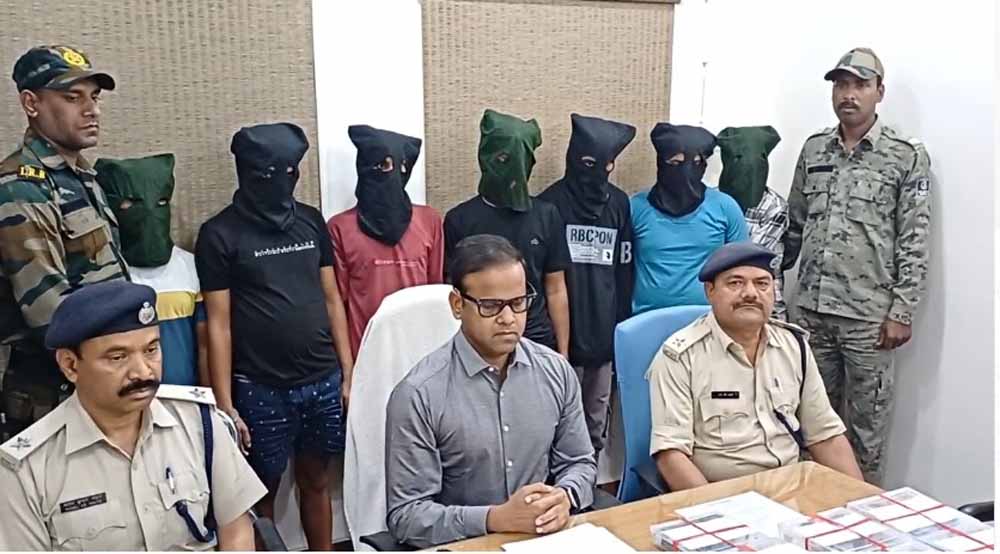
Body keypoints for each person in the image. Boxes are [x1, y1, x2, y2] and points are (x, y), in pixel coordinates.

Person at [0, 280, 266, 550]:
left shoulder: (200, 422)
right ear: (71, 365)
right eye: (118, 357)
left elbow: (236, 531)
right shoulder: (27, 469)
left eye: (151, 350)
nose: (142, 372)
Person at [195, 123, 353, 551]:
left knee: (317, 479)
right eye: (268, 173)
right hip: (260, 387)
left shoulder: (311, 221)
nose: (280, 181)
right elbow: (218, 324)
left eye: (289, 171)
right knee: (258, 494)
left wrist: (348, 372)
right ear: (247, 172)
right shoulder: (219, 234)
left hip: (322, 379)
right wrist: (225, 405)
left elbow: (332, 298)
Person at [385, 234, 596, 548]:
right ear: (458, 305)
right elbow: (407, 515)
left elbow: (580, 462)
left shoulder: (556, 371)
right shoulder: (418, 394)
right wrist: (493, 518)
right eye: (491, 306)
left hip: (544, 539)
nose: (508, 319)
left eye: (518, 303)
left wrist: (565, 496)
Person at [783, 47, 932, 484]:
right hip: (811, 315)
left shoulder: (904, 154)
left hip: (869, 322)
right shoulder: (814, 149)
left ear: (879, 92)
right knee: (808, 427)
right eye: (841, 85)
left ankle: (863, 516)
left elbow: (914, 238)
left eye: (860, 85)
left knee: (866, 435)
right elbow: (793, 225)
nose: (848, 94)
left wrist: (902, 311)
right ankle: (809, 510)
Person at [648, 242, 862, 491]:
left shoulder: (794, 346)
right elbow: (671, 455)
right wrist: (716, 510)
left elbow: (825, 435)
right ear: (710, 291)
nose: (750, 293)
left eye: (762, 284)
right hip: (722, 494)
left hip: (791, 488)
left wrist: (864, 500)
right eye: (735, 283)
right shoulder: (681, 357)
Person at [0, 45, 129, 439]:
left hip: (103, 378)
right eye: (73, 98)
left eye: (94, 97)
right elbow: (49, 313)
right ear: (31, 104)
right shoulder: (21, 186)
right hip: (55, 394)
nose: (92, 110)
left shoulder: (81, 176)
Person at [538, 113, 635, 456]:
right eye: (590, 163)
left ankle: (588, 479)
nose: (598, 171)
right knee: (557, 423)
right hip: (561, 340)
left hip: (604, 336)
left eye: (606, 164)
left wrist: (621, 330)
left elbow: (625, 272)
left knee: (595, 422)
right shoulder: (548, 204)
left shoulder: (619, 204)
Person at [443, 109, 571, 357]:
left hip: (537, 340)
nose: (512, 167)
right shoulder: (460, 220)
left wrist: (563, 353)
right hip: (479, 342)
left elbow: (556, 288)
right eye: (503, 158)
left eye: (519, 159)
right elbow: (452, 292)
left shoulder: (547, 215)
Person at [327, 125, 444, 358]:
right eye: (383, 165)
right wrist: (348, 368)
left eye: (401, 166)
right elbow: (338, 302)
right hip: (367, 354)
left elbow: (436, 291)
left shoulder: (429, 221)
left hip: (420, 351)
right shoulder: (339, 227)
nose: (393, 173)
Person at [96, 154, 209, 386]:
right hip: (126, 397)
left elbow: (206, 344)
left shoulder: (190, 266)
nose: (149, 213)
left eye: (160, 202)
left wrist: (210, 399)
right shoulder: (102, 272)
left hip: (184, 397)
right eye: (131, 204)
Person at [630, 124, 748, 315]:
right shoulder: (635, 207)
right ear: (661, 162)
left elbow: (742, 267)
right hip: (646, 319)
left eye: (696, 162)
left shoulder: (725, 207)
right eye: (676, 163)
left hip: (709, 319)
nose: (685, 171)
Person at [717, 125, 789, 319]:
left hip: (765, 303)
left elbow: (753, 258)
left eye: (758, 161)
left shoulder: (774, 206)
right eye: (739, 160)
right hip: (717, 302)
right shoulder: (712, 203)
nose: (748, 169)